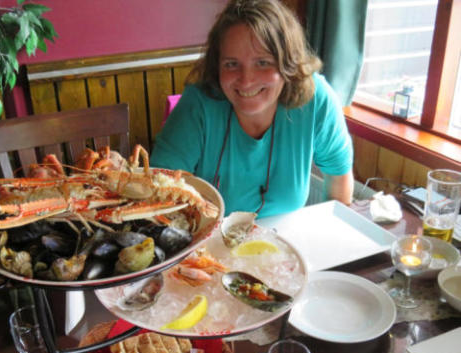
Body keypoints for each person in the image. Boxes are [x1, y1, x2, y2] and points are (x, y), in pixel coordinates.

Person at [150, 0, 354, 218]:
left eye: (263, 62)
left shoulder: (316, 99)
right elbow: (158, 190)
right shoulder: (198, 104)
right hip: (208, 237)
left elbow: (339, 178)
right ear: (217, 66)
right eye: (231, 64)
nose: (246, 81)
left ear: (288, 63)